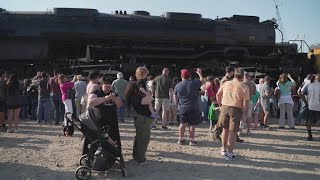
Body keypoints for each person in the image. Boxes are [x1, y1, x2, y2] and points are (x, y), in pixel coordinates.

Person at [216, 68, 250, 161]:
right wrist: (245, 114)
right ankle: (230, 153)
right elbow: (245, 103)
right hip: (236, 109)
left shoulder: (226, 83)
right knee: (233, 132)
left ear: (234, 75)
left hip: (224, 107)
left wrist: (220, 105)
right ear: (243, 76)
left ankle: (223, 149)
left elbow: (218, 94)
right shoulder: (244, 87)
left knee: (225, 129)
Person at [85, 76, 123, 153]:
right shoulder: (96, 92)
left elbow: (120, 104)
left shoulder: (113, 93)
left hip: (112, 122)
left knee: (113, 139)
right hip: (99, 122)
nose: (108, 88)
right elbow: (91, 102)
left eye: (110, 87)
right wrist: (105, 98)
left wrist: (115, 98)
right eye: (106, 86)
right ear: (101, 85)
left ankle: (112, 156)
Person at [126, 76, 153, 165]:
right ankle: (141, 159)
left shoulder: (133, 96)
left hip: (140, 118)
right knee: (143, 139)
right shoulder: (137, 97)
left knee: (138, 138)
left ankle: (136, 156)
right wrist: (149, 93)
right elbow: (149, 100)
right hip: (143, 119)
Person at [174, 68, 204, 146]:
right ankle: (192, 140)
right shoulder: (194, 83)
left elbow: (175, 96)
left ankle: (180, 139)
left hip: (182, 107)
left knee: (182, 123)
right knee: (192, 124)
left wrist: (177, 105)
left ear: (182, 76)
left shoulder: (178, 85)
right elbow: (202, 81)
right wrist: (199, 73)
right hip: (193, 106)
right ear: (189, 76)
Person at [302, 74, 320, 141]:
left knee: (308, 121)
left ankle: (309, 135)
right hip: (318, 104)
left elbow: (300, 92)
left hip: (310, 105)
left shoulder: (309, 84)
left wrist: (305, 101)